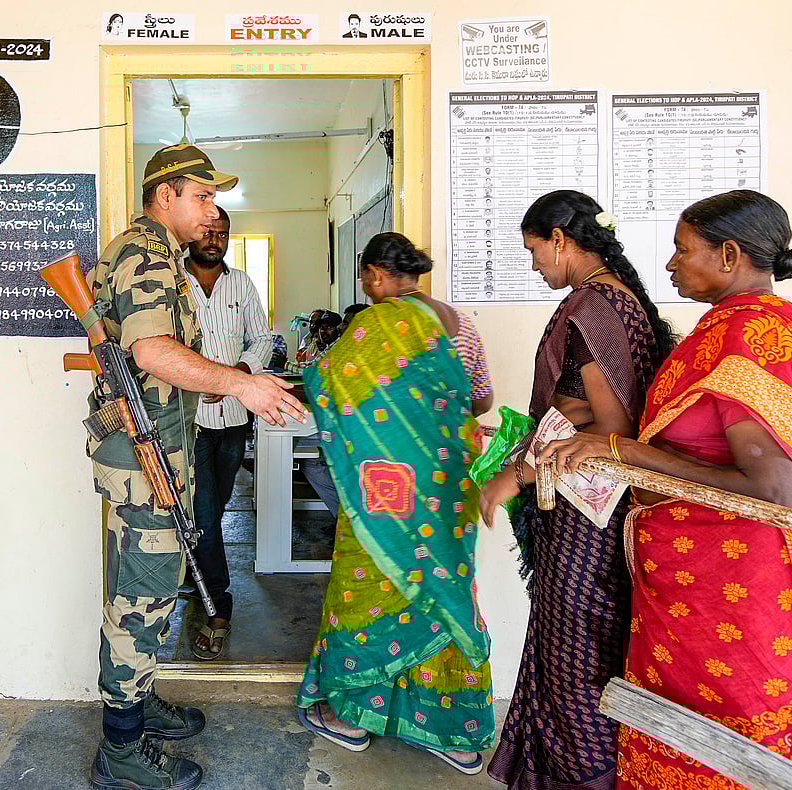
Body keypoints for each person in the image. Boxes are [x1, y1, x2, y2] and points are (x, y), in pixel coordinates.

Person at [536, 190, 792, 787]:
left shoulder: (749, 337)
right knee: (680, 726)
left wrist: (629, 452)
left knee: (728, 736)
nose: (670, 265)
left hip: (732, 590)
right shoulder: (745, 327)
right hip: (694, 584)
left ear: (729, 255)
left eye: (683, 251)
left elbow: (771, 488)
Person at [83, 144, 305, 790]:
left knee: (154, 589)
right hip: (141, 453)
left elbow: (166, 358)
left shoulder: (163, 257)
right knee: (141, 594)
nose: (212, 211)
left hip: (161, 443)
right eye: (203, 197)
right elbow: (151, 349)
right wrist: (241, 388)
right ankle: (121, 748)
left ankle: (140, 698)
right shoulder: (145, 254)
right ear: (165, 196)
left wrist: (220, 381)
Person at [479, 190, 675, 790]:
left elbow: (609, 424)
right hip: (596, 505)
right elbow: (579, 406)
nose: (534, 264)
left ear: (560, 241)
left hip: (589, 511)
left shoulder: (592, 307)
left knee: (574, 658)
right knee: (571, 646)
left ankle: (583, 776)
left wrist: (515, 474)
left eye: (535, 250)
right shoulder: (618, 301)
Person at [295, 232, 495, 776]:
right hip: (447, 489)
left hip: (384, 491)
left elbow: (326, 387)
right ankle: (453, 736)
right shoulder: (460, 323)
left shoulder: (370, 327)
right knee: (440, 586)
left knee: (372, 584)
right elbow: (481, 399)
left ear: (376, 275)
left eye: (366, 277)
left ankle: (354, 717)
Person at [183, 206, 274, 660]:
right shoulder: (171, 281)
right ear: (192, 231)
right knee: (202, 514)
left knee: (213, 511)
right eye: (207, 230)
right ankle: (218, 605)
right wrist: (202, 380)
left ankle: (193, 567)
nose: (214, 239)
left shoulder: (241, 284)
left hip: (235, 417)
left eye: (222, 233)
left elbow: (262, 339)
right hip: (189, 418)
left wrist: (237, 373)